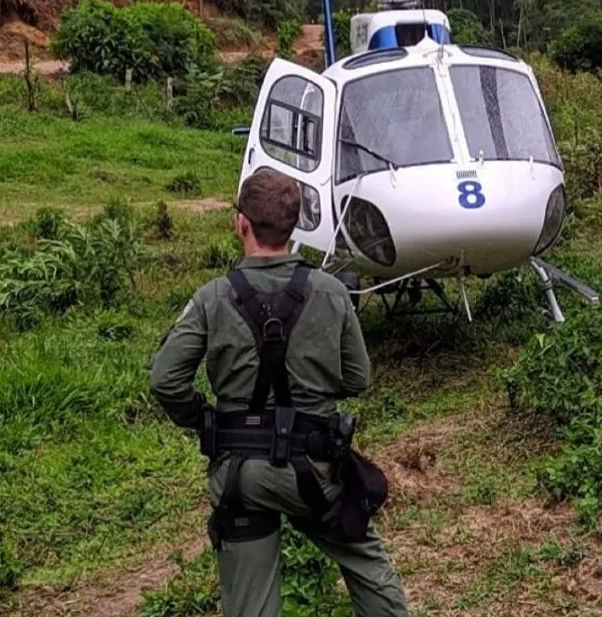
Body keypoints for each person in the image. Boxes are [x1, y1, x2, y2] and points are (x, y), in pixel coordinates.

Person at [149, 166, 409, 617]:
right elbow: (357, 379)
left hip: (239, 476)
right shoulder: (330, 292)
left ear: (241, 223)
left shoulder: (212, 297)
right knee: (368, 566)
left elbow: (164, 380)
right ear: (294, 226)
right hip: (314, 470)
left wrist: (206, 419)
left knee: (249, 605)